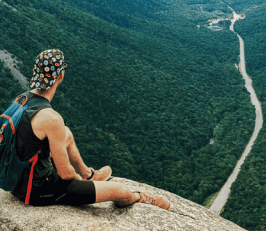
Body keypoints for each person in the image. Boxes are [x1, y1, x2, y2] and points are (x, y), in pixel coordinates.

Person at [10, 49, 170, 209]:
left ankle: (89, 175)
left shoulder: (20, 100)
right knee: (120, 190)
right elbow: (65, 174)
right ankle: (139, 197)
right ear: (60, 75)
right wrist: (77, 182)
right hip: (40, 191)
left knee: (66, 133)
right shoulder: (52, 118)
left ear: (35, 72)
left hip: (19, 181)